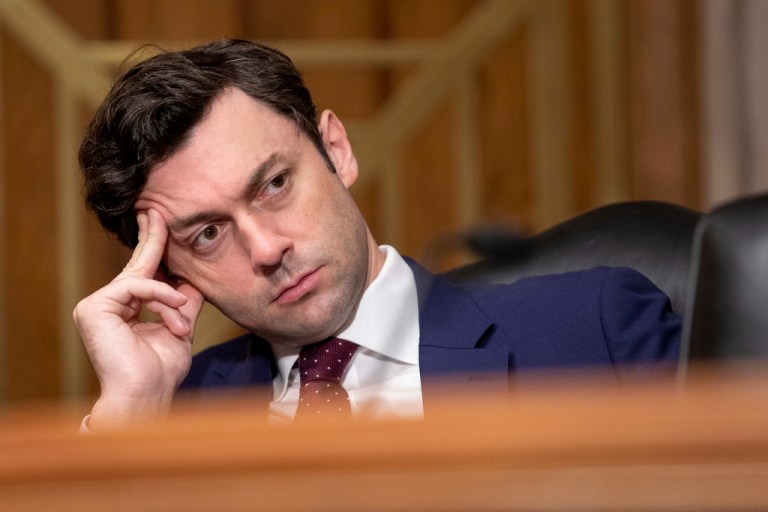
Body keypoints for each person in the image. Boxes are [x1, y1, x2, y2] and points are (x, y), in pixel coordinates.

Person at [73, 39, 680, 430]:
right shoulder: (173, 417)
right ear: (172, 274)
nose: (266, 250)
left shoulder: (593, 331)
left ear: (335, 151)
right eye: (207, 234)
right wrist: (131, 413)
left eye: (274, 184)